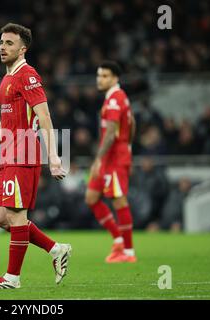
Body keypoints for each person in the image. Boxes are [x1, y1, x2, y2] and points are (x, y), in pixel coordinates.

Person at [0, 23, 72, 289]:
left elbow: (44, 115)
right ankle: (56, 249)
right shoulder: (7, 79)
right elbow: (6, 123)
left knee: (16, 217)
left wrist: (54, 157)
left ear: (23, 48)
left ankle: (12, 278)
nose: (3, 47)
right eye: (1, 42)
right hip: (9, 154)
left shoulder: (28, 74)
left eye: (10, 43)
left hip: (24, 153)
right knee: (2, 218)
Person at [85, 61, 137, 263]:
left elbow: (111, 133)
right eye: (99, 75)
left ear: (115, 78)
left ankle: (129, 252)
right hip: (109, 157)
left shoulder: (115, 98)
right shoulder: (116, 98)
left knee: (119, 200)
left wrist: (99, 158)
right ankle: (118, 240)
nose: (100, 79)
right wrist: (129, 143)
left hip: (114, 158)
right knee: (91, 197)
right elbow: (132, 123)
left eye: (105, 76)